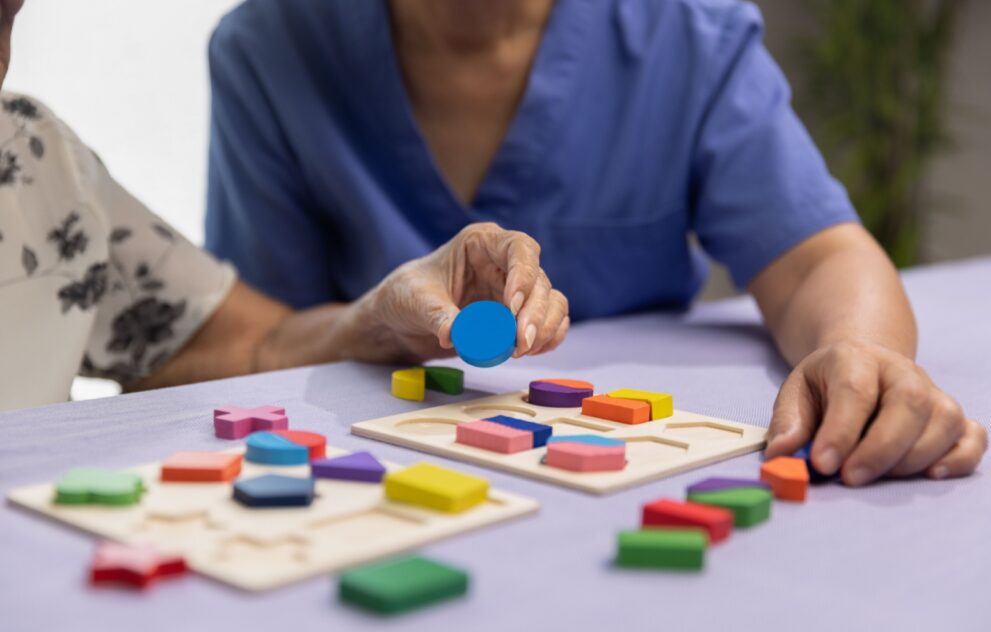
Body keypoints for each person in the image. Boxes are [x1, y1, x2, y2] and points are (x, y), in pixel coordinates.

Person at [204, 0, 986, 487]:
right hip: (373, 473)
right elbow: (258, 341)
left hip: (642, 471)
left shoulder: (689, 33)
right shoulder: (267, 47)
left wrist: (860, 352)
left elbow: (819, 255)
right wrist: (368, 325)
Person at [0, 0, 567, 411]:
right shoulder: (271, 46)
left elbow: (240, 348)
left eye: (5, 19)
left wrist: (380, 323)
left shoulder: (32, 154)